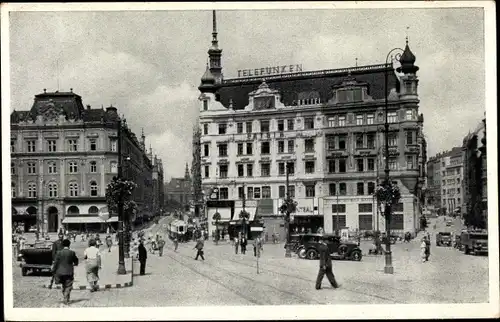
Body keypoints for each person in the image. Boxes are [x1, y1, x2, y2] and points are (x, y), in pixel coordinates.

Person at [51, 239, 79, 306]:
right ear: (69, 245)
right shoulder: (72, 252)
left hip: (60, 272)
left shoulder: (59, 253)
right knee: (68, 285)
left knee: (64, 285)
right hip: (69, 272)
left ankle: (66, 298)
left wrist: (53, 270)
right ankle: (66, 297)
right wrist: (75, 264)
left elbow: (56, 263)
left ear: (63, 245)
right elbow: (76, 261)